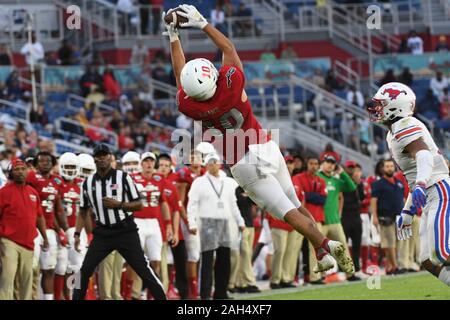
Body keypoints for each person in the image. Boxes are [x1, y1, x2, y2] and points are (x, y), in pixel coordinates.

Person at [164, 4, 354, 277]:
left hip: (243, 163)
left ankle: (326, 244)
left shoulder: (189, 105)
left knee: (289, 214)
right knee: (296, 205)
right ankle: (321, 252)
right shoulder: (230, 82)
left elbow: (180, 75)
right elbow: (228, 48)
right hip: (265, 146)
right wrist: (202, 23)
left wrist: (173, 36)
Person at [368, 82, 450, 286]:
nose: (377, 108)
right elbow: (415, 180)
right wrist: (407, 211)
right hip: (430, 193)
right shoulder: (392, 132)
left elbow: (423, 156)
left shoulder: (405, 124)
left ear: (396, 106)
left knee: (441, 252)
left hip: (439, 189)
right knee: (427, 260)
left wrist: (422, 182)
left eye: (381, 104)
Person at [72, 144, 166, 300]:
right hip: (103, 233)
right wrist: (76, 234)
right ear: (94, 158)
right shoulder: (87, 183)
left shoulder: (123, 177)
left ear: (110, 157)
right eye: (98, 155)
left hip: (125, 230)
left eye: (105, 155)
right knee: (84, 270)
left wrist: (119, 205)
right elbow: (83, 211)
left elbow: (139, 204)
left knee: (143, 269)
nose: (102, 158)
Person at [187, 153, 245, 299]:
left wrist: (240, 221)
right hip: (207, 222)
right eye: (210, 162)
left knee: (224, 259)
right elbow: (192, 204)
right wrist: (192, 222)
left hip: (225, 222)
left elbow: (233, 204)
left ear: (219, 163)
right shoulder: (199, 182)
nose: (213, 165)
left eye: (215, 162)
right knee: (207, 260)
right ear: (206, 165)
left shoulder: (228, 182)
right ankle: (205, 294)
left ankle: (221, 292)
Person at [0, 159, 49, 300]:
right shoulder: (3, 193)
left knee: (27, 279)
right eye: (17, 169)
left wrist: (45, 237)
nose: (20, 172)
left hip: (29, 242)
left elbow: (39, 217)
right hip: (9, 241)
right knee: (7, 277)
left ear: (27, 171)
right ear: (11, 172)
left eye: (23, 169)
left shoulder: (33, 192)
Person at [129, 151, 173, 299]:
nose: (148, 164)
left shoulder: (159, 178)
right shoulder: (132, 178)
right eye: (146, 161)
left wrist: (168, 225)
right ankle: (129, 293)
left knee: (156, 260)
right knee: (134, 260)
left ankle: (151, 295)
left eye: (151, 161)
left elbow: (163, 202)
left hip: (153, 223)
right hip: (137, 222)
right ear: (141, 164)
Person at [26, 152, 69, 300]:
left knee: (50, 268)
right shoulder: (30, 176)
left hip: (50, 229)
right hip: (33, 227)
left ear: (53, 164)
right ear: (36, 164)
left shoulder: (57, 180)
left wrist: (63, 230)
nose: (45, 163)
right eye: (42, 161)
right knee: (31, 268)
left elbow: (57, 208)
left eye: (48, 161)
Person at [317, 154, 360, 281]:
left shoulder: (336, 180)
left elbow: (352, 187)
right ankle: (319, 276)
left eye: (333, 163)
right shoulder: (318, 177)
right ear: (322, 163)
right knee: (319, 250)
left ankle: (350, 274)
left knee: (342, 248)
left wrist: (342, 173)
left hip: (335, 221)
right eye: (327, 162)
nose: (330, 164)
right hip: (320, 220)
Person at [157, 153, 188, 299]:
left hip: (172, 228)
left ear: (171, 167)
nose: (163, 168)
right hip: (157, 227)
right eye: (161, 165)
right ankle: (162, 289)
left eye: (166, 165)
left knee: (180, 260)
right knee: (159, 261)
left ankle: (183, 291)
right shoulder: (152, 182)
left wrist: (177, 231)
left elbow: (177, 208)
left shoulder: (173, 182)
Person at [293, 156, 327, 284]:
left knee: (315, 249)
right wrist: (313, 196)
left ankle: (314, 276)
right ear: (307, 164)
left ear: (318, 165)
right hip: (300, 218)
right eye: (311, 163)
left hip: (316, 218)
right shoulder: (298, 178)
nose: (313, 166)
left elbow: (323, 200)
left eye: (315, 163)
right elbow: (299, 198)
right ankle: (290, 277)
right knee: (295, 249)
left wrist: (308, 195)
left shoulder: (320, 180)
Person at [370, 159, 405, 274]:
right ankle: (395, 267)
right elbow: (373, 201)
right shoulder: (378, 184)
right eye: (387, 166)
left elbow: (402, 200)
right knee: (389, 243)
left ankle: (389, 267)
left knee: (396, 243)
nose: (390, 168)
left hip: (399, 217)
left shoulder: (399, 183)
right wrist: (374, 216)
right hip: (386, 217)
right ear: (383, 169)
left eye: (391, 166)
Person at [341, 161, 364, 274]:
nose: (350, 171)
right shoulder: (342, 181)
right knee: (343, 243)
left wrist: (357, 182)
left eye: (352, 168)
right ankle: (344, 268)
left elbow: (362, 197)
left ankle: (357, 267)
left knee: (357, 243)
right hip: (345, 215)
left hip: (356, 215)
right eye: (349, 168)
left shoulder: (358, 183)